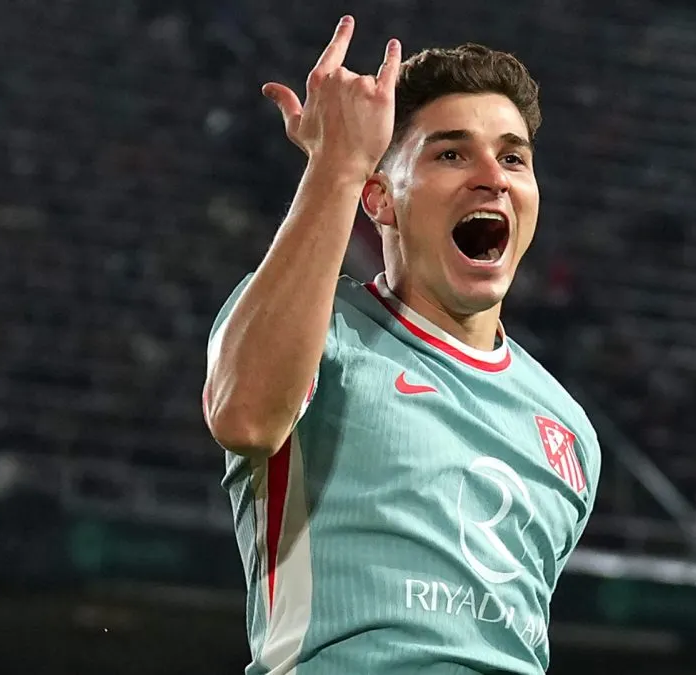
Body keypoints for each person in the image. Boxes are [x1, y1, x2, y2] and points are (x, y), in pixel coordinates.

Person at [203, 16, 600, 674]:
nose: (491, 177)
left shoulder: (568, 431)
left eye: (512, 156)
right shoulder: (318, 329)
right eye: (451, 153)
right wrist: (337, 165)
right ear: (380, 200)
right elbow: (244, 417)